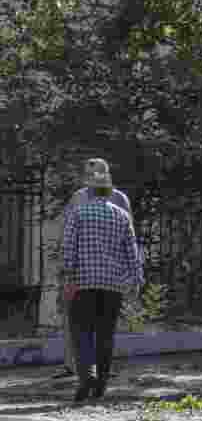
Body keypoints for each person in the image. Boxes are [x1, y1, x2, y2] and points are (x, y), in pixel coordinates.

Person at [62, 159, 144, 402]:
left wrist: (68, 274)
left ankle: (86, 378)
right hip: (112, 284)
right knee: (106, 334)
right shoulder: (120, 213)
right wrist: (136, 279)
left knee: (82, 332)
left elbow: (68, 247)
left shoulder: (78, 209)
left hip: (83, 282)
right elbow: (131, 247)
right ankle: (100, 385)